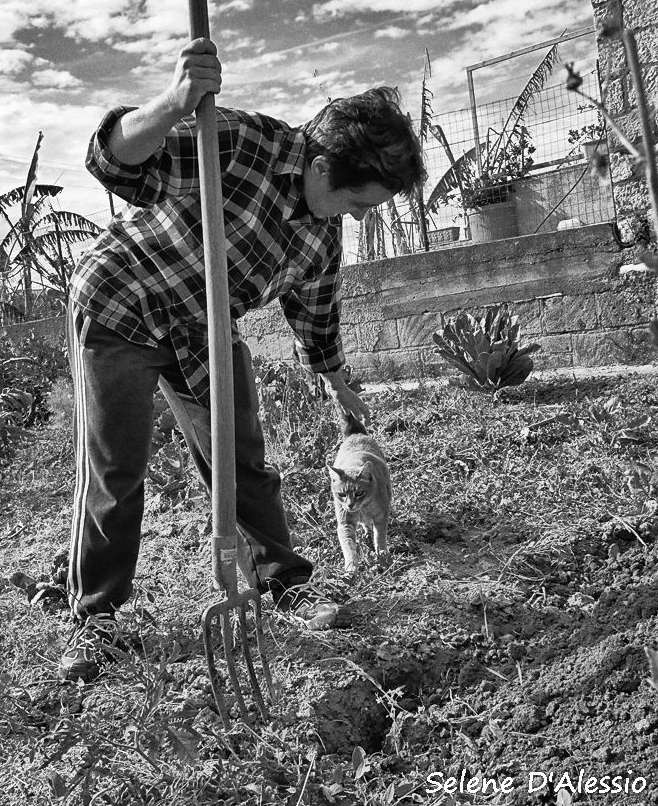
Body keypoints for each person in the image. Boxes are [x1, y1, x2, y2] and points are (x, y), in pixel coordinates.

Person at [60, 38, 423, 682]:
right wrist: (175, 101)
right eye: (363, 200)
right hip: (123, 302)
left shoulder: (320, 235)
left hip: (202, 324)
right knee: (117, 470)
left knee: (240, 455)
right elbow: (110, 160)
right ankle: (96, 622)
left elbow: (316, 312)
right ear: (325, 163)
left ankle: (283, 579)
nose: (363, 215)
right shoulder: (235, 142)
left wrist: (339, 382)